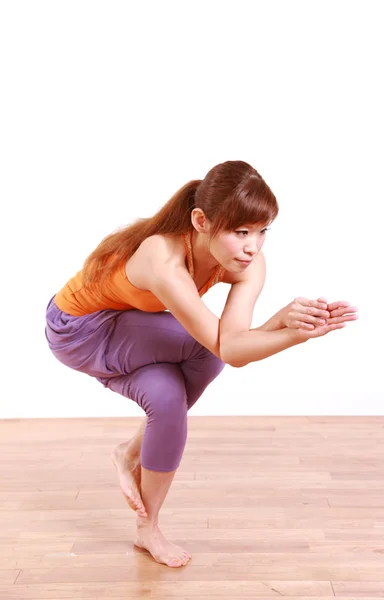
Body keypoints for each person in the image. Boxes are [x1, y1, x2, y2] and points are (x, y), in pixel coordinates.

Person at [45, 160, 358, 568]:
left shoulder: (249, 263)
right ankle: (128, 456)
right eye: (240, 232)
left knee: (168, 398)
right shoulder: (164, 257)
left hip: (136, 329)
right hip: (79, 329)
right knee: (207, 356)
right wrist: (292, 332)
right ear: (201, 221)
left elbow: (233, 343)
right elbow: (228, 349)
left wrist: (283, 321)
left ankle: (147, 527)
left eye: (262, 231)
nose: (252, 246)